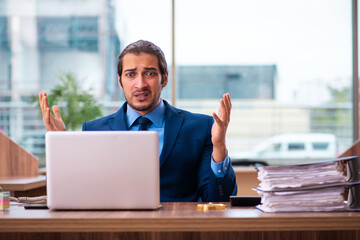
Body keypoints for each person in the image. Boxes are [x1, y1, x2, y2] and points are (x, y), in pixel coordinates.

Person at [39, 40, 237, 202]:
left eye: (150, 73)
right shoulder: (93, 130)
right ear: (120, 81)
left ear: (164, 78)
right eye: (131, 74)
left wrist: (219, 147)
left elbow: (219, 199)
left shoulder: (200, 128)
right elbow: (77, 195)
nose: (140, 84)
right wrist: (61, 149)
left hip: (177, 230)